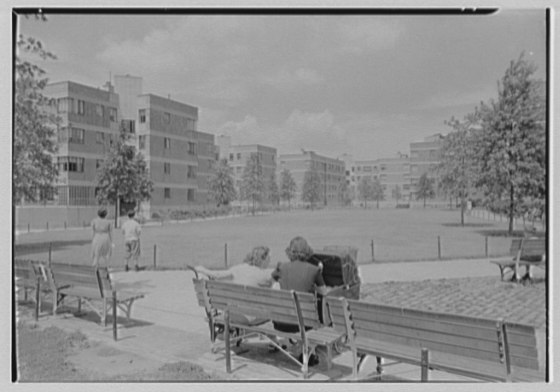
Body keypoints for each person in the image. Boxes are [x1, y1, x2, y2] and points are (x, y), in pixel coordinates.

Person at [270, 236, 328, 365]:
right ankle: (309, 354)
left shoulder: (281, 267)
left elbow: (273, 280)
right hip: (303, 324)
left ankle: (296, 346)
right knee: (314, 315)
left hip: (281, 322)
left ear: (290, 252)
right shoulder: (314, 270)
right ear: (307, 251)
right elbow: (324, 292)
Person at [195, 246, 275, 325]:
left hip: (233, 312)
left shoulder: (238, 269)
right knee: (273, 312)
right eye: (269, 258)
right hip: (250, 317)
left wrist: (202, 269)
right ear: (263, 259)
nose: (270, 261)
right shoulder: (265, 276)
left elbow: (217, 275)